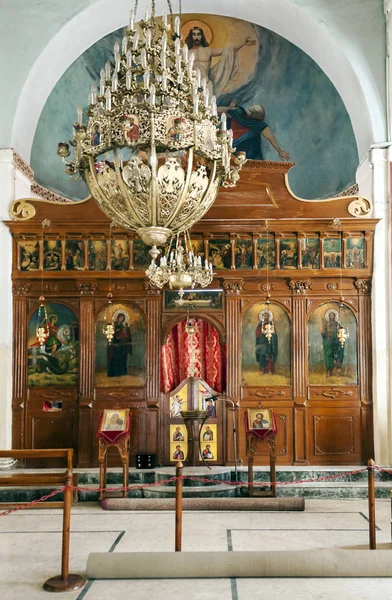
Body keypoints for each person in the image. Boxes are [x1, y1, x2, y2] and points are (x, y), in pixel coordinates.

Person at [184, 26, 256, 98]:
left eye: (198, 34)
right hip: (190, 85)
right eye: (194, 34)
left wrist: (243, 43)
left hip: (206, 84)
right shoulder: (185, 52)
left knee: (208, 107)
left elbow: (228, 50)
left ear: (202, 36)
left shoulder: (208, 51)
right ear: (191, 36)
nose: (196, 37)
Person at [218, 100, 290, 161]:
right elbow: (218, 110)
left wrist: (279, 151)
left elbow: (270, 137)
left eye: (250, 110)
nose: (246, 110)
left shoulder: (258, 124)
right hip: (230, 146)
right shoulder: (239, 113)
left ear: (254, 115)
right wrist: (229, 108)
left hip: (246, 152)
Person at [107, 313, 132, 377]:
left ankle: (122, 372)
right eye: (120, 317)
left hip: (122, 345)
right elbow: (110, 334)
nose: (121, 319)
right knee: (115, 358)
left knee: (122, 358)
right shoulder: (114, 325)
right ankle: (115, 373)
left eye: (122, 318)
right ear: (117, 317)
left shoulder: (123, 325)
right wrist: (116, 333)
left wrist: (125, 334)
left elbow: (127, 334)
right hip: (115, 345)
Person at [321, 310, 344, 377]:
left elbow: (341, 333)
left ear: (335, 316)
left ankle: (336, 371)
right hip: (329, 342)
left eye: (333, 315)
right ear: (328, 317)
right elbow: (323, 334)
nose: (332, 316)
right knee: (328, 356)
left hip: (336, 342)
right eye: (330, 315)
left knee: (337, 356)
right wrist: (325, 335)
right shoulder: (326, 324)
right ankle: (328, 371)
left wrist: (338, 330)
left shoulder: (337, 324)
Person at [255, 310, 278, 374]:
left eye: (267, 317)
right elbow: (257, 333)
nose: (265, 318)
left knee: (269, 356)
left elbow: (274, 334)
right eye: (264, 317)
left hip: (270, 343)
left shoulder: (271, 324)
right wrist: (262, 334)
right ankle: (262, 369)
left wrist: (272, 335)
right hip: (262, 343)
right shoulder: (260, 324)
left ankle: (269, 370)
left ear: (269, 317)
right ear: (262, 317)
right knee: (262, 355)